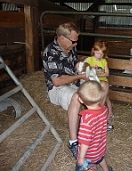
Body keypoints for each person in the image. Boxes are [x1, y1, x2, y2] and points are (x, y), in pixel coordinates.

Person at [42, 23, 112, 159]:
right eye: (74, 41)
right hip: (57, 87)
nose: (76, 44)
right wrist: (81, 76)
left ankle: (98, 121)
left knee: (103, 86)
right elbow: (57, 81)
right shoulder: (50, 52)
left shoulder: (71, 48)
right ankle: (73, 142)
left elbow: (74, 66)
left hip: (74, 81)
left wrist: (84, 66)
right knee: (76, 96)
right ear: (62, 38)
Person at [76, 80, 113, 171]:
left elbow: (85, 141)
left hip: (89, 153)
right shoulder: (104, 109)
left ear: (80, 100)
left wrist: (81, 157)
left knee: (81, 167)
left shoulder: (87, 119)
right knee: (100, 159)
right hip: (100, 148)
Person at [82, 40, 114, 121]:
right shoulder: (90, 59)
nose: (99, 56)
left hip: (102, 81)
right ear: (94, 51)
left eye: (102, 54)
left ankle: (107, 112)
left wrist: (96, 75)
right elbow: (82, 65)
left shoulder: (104, 61)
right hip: (93, 82)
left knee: (106, 96)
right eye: (98, 53)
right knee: (100, 95)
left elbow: (107, 73)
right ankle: (98, 110)